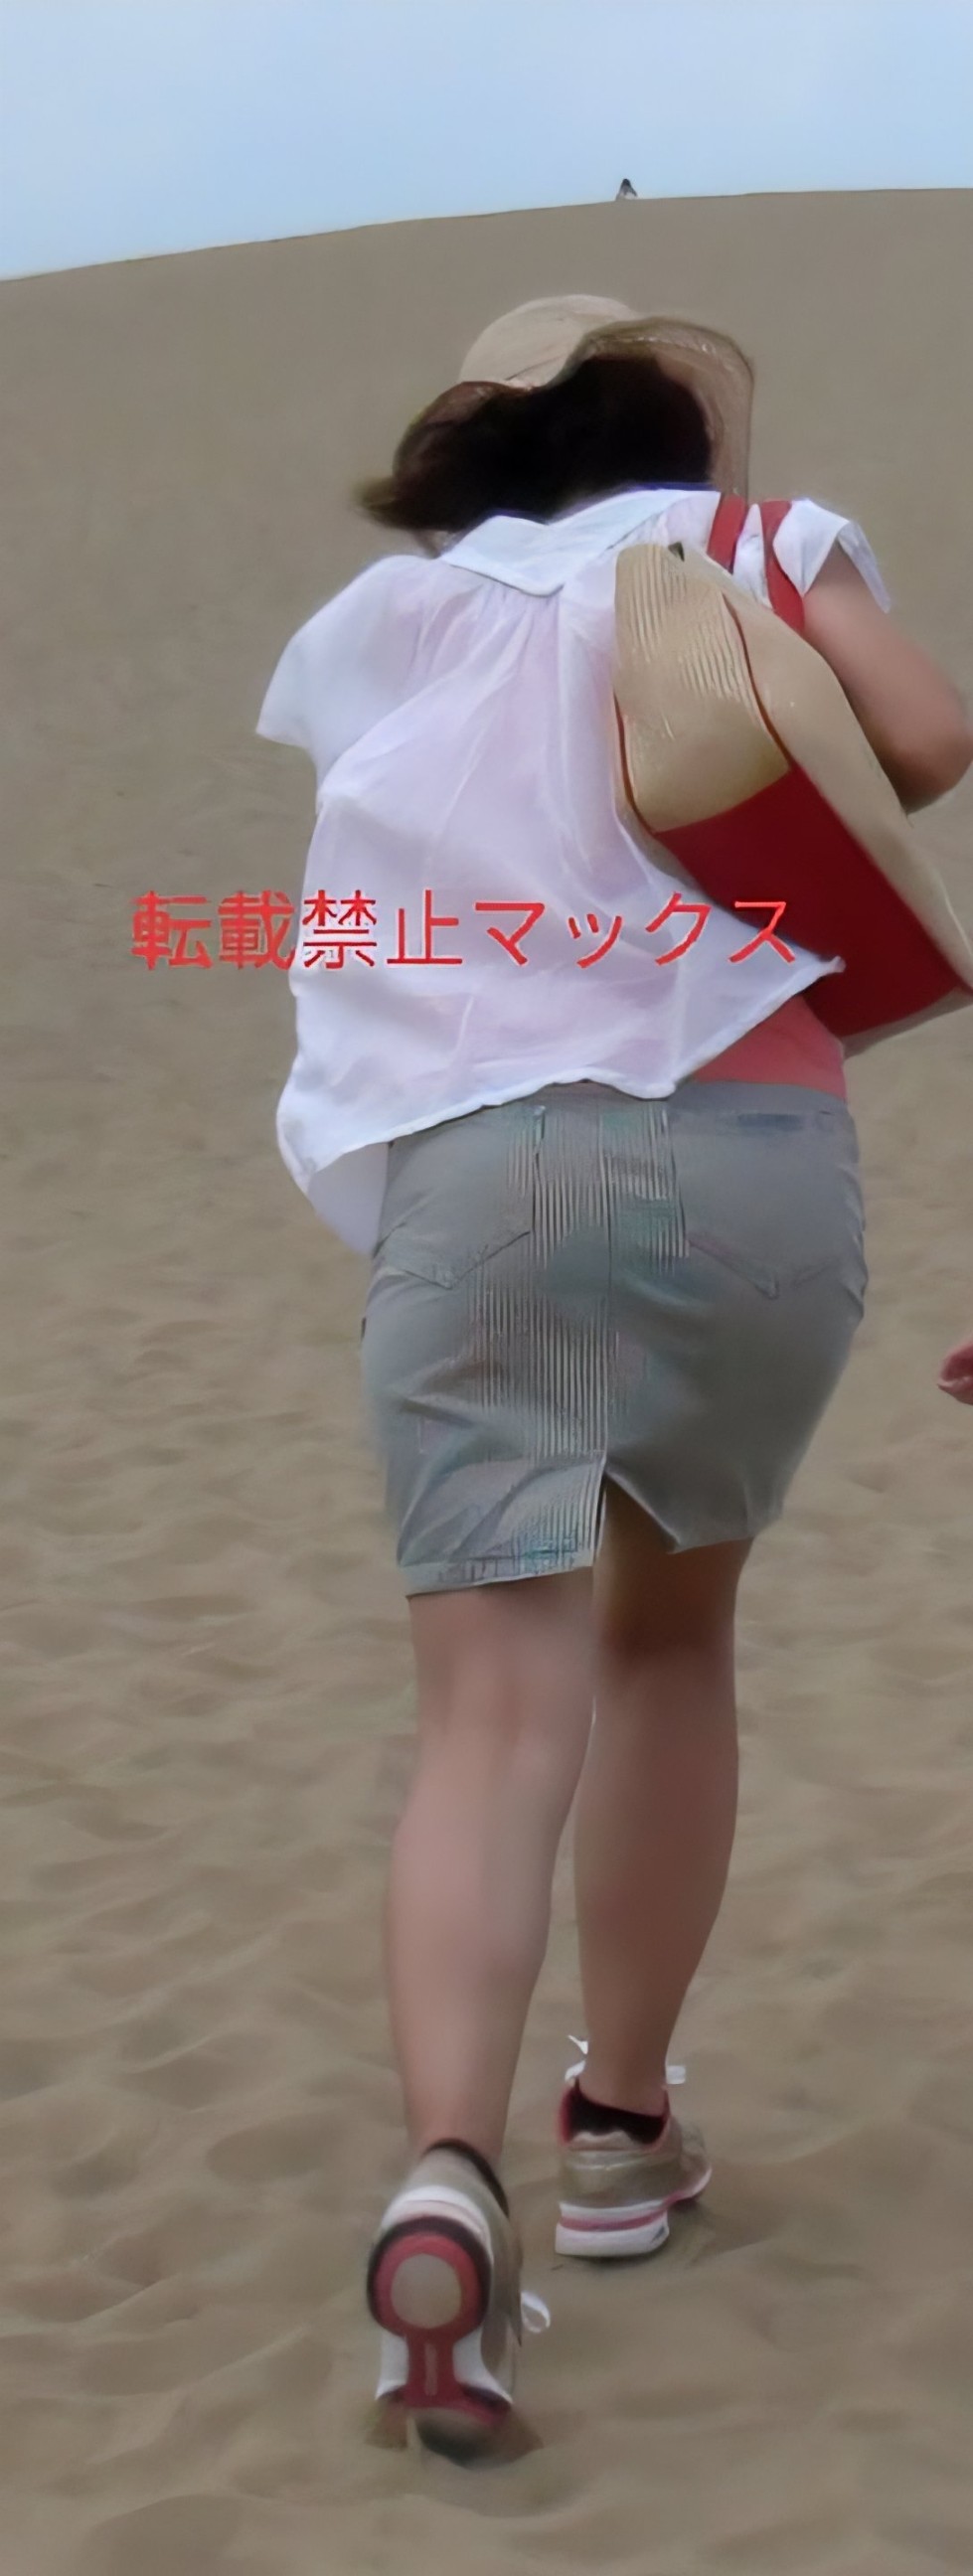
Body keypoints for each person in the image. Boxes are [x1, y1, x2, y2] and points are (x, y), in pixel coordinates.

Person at [257, 295, 973, 2451]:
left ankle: (444, 2180)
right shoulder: (750, 545)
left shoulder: (386, 622)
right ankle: (623, 2131)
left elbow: (373, 885)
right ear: (666, 420)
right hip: (751, 1142)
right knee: (671, 1645)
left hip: (480, 1161)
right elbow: (928, 741)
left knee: (490, 1712)